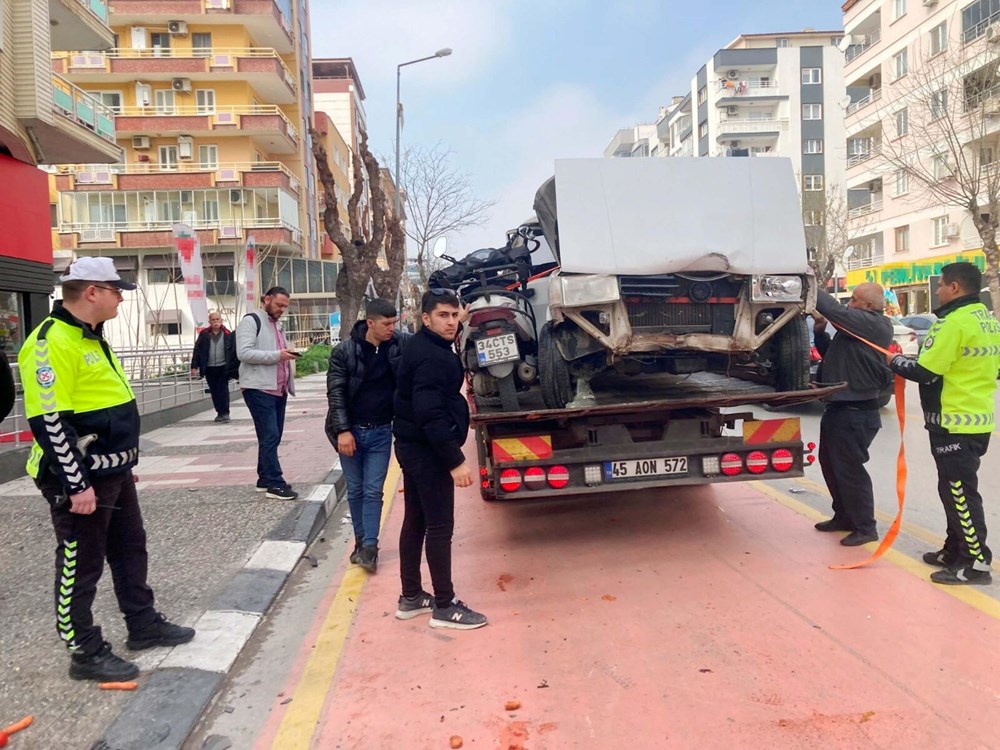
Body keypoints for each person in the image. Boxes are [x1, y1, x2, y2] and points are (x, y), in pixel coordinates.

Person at [18, 257, 195, 682]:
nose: (121, 298)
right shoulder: (49, 343)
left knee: (130, 548)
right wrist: (76, 484)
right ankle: (84, 650)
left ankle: (143, 623)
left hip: (112, 473)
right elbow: (50, 422)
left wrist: (123, 464)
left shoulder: (91, 337)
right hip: (79, 478)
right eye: (116, 291)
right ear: (92, 292)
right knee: (80, 565)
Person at [889, 262, 1000, 585]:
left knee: (960, 494)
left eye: (940, 285)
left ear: (954, 287)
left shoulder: (953, 323)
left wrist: (894, 361)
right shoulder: (986, 321)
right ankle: (954, 550)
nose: (937, 291)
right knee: (953, 490)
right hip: (976, 418)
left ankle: (975, 563)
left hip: (953, 421)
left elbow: (925, 372)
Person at [392, 288, 486, 630]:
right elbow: (429, 413)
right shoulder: (431, 356)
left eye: (454, 315)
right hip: (427, 451)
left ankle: (411, 596)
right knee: (439, 526)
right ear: (426, 318)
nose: (451, 322)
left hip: (413, 446)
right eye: (442, 315)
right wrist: (454, 460)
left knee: (416, 521)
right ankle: (445, 606)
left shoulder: (425, 345)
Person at [325, 298, 410, 573]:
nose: (391, 328)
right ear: (370, 323)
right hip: (350, 432)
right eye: (386, 324)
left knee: (373, 490)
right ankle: (361, 541)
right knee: (356, 489)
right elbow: (336, 393)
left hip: (382, 431)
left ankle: (370, 548)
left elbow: (427, 345)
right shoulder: (344, 351)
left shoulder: (399, 344)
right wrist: (343, 431)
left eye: (394, 323)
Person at [812, 283, 894, 547]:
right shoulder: (857, 328)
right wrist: (820, 332)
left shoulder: (874, 323)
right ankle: (844, 516)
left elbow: (833, 309)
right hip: (839, 408)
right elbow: (834, 357)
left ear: (868, 306)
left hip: (856, 412)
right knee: (831, 464)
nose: (849, 304)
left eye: (854, 300)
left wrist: (806, 278)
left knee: (850, 470)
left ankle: (866, 526)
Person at [236, 286, 299, 500]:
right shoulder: (251, 321)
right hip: (259, 388)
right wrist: (278, 355)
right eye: (279, 305)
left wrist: (286, 356)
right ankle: (274, 483)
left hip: (278, 388)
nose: (281, 309)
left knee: (273, 435)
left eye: (285, 307)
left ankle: (264, 478)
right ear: (267, 299)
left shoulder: (277, 325)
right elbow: (244, 353)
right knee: (270, 434)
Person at [190, 310, 236, 423]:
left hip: (223, 366)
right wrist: (194, 366)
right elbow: (197, 350)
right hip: (209, 367)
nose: (215, 322)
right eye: (213, 320)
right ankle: (219, 412)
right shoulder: (204, 334)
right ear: (209, 322)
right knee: (214, 391)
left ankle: (225, 413)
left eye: (217, 319)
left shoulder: (227, 334)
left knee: (223, 390)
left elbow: (233, 351)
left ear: (221, 321)